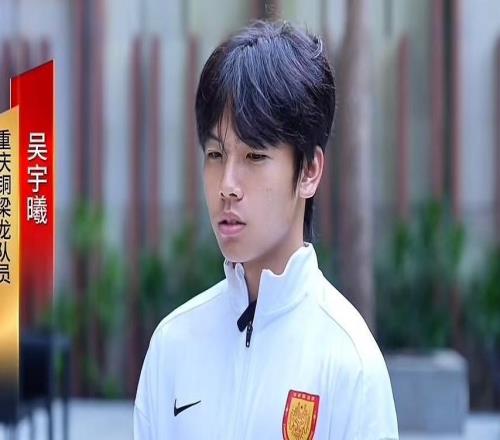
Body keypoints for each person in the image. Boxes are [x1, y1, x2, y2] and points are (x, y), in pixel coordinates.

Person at [134, 20, 399, 439]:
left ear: (308, 171)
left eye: (254, 156)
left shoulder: (350, 362)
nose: (227, 185)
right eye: (216, 154)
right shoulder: (172, 345)